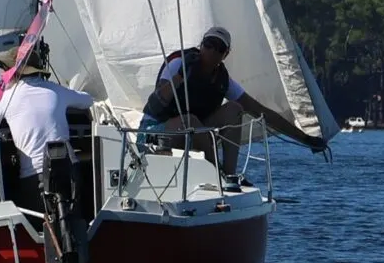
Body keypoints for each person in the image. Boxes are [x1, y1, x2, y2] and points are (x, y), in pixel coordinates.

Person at [141, 26, 329, 179]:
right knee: (190, 121)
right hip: (157, 130)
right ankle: (215, 175)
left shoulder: (223, 81)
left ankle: (229, 176)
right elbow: (156, 103)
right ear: (201, 46)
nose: (213, 50)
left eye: (220, 48)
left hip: (194, 132)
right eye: (209, 44)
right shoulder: (178, 64)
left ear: (226, 54)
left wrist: (305, 139)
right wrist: (180, 78)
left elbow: (261, 112)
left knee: (235, 109)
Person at [0, 42, 96, 214]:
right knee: (74, 218)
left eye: (4, 68)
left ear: (14, 72)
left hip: (34, 178)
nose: (2, 73)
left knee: (36, 220)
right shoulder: (56, 90)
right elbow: (88, 100)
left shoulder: (7, 98)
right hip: (69, 170)